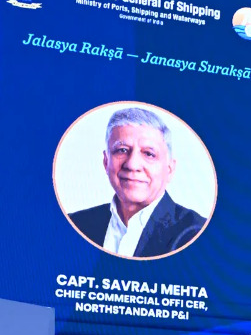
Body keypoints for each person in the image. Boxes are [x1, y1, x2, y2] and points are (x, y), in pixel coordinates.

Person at [68, 106, 207, 259]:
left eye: (149, 154)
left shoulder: (197, 233)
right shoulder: (75, 224)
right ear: (106, 162)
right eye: (122, 150)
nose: (132, 164)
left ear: (169, 169)